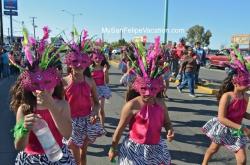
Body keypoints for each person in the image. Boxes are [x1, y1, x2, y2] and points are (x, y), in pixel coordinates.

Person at [10, 27, 75, 164]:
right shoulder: (25, 109)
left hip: (58, 157)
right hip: (31, 159)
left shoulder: (62, 105)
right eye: (36, 84)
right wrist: (25, 129)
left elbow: (67, 134)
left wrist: (51, 105)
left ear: (55, 82)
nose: (42, 89)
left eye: (47, 82)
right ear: (28, 85)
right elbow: (19, 146)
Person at [108, 37, 174, 165]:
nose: (148, 93)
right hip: (135, 149)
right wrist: (113, 147)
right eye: (144, 88)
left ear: (159, 87)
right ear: (138, 86)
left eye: (153, 89)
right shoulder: (132, 105)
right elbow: (120, 129)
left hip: (156, 149)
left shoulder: (160, 103)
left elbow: (167, 122)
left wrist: (170, 130)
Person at [201, 47, 250, 165]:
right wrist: (242, 128)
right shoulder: (227, 97)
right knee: (213, 149)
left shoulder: (246, 96)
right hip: (223, 128)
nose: (248, 86)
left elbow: (241, 112)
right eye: (245, 83)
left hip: (236, 130)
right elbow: (222, 118)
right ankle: (204, 163)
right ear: (235, 82)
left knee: (242, 159)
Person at [63, 34, 105, 165]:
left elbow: (97, 104)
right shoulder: (63, 82)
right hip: (71, 122)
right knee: (75, 155)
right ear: (69, 63)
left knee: (83, 153)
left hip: (87, 121)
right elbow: (58, 104)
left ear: (87, 63)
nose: (79, 65)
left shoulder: (90, 82)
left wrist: (94, 112)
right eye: (75, 62)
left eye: (83, 62)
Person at [90, 50, 112, 128]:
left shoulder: (104, 68)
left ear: (102, 59)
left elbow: (107, 81)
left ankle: (102, 127)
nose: (98, 59)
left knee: (101, 109)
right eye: (95, 58)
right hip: (92, 90)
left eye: (99, 58)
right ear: (92, 58)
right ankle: (92, 126)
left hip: (101, 89)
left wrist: (105, 72)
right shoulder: (90, 68)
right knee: (93, 109)